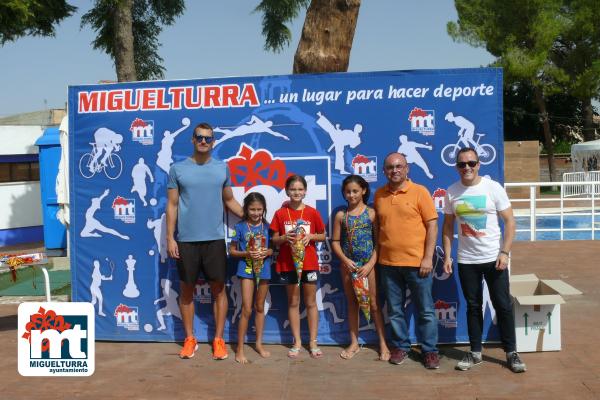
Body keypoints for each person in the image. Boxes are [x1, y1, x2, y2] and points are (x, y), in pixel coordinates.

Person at [442, 147, 526, 373]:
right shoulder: (451, 192)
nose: (467, 167)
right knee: (472, 307)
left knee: (503, 305)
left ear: (479, 164)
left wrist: (505, 252)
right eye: (462, 164)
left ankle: (511, 352)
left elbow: (510, 222)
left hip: (493, 258)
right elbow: (448, 227)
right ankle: (476, 352)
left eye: (471, 163)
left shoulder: (492, 188)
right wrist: (448, 255)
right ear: (456, 167)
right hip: (466, 260)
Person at [166, 122, 243, 360]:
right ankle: (191, 339)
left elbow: (229, 201)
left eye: (208, 138)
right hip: (187, 241)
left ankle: (218, 340)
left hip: (215, 240)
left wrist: (256, 218)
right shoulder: (177, 169)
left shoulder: (222, 168)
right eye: (199, 137)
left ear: (213, 141)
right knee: (186, 291)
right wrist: (170, 238)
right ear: (192, 140)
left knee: (219, 291)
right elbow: (172, 205)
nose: (203, 141)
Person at [374, 152, 440, 369]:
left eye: (399, 166)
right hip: (388, 265)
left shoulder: (420, 192)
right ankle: (401, 346)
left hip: (417, 264)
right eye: (390, 167)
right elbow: (378, 228)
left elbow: (432, 225)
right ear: (384, 171)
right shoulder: (379, 195)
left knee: (426, 311)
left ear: (407, 168)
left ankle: (429, 351)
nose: (395, 170)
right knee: (394, 311)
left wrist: (428, 258)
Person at [331, 175, 390, 361]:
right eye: (348, 192)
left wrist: (371, 264)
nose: (351, 195)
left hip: (368, 267)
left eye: (355, 191)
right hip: (348, 267)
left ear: (363, 191)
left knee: (373, 305)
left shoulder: (371, 213)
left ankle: (383, 344)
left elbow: (378, 242)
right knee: (352, 303)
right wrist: (345, 261)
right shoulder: (341, 216)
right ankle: (354, 343)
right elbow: (335, 242)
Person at [270, 175, 326, 359]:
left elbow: (322, 235)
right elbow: (274, 240)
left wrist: (311, 237)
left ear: (305, 191)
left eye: (300, 189)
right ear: (287, 191)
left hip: (309, 263)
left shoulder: (311, 212)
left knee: (310, 302)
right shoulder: (280, 213)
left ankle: (313, 342)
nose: (296, 192)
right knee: (293, 302)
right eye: (293, 189)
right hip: (288, 264)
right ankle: (297, 342)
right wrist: (285, 238)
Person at [228, 192, 273, 364]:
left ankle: (259, 344)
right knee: (247, 308)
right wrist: (247, 253)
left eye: (259, 209)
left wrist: (266, 252)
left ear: (264, 209)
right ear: (246, 209)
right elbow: (232, 251)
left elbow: (272, 250)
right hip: (246, 270)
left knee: (260, 306)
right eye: (252, 209)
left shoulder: (268, 227)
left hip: (264, 270)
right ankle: (239, 349)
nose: (256, 213)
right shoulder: (239, 227)